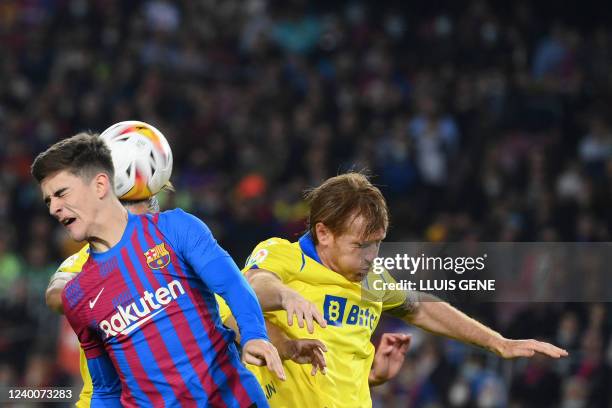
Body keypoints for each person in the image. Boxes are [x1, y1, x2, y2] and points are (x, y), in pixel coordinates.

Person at [242, 172, 569, 407]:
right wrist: (287, 296)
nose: (371, 257)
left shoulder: (373, 281)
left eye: (378, 244)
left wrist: (498, 343)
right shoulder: (286, 256)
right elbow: (250, 288)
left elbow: (420, 306)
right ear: (324, 233)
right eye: (360, 245)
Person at [32, 132, 284, 407]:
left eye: (61, 194)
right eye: (48, 201)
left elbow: (234, 286)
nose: (54, 208)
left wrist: (254, 336)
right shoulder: (77, 293)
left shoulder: (175, 229)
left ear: (101, 185)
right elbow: (106, 390)